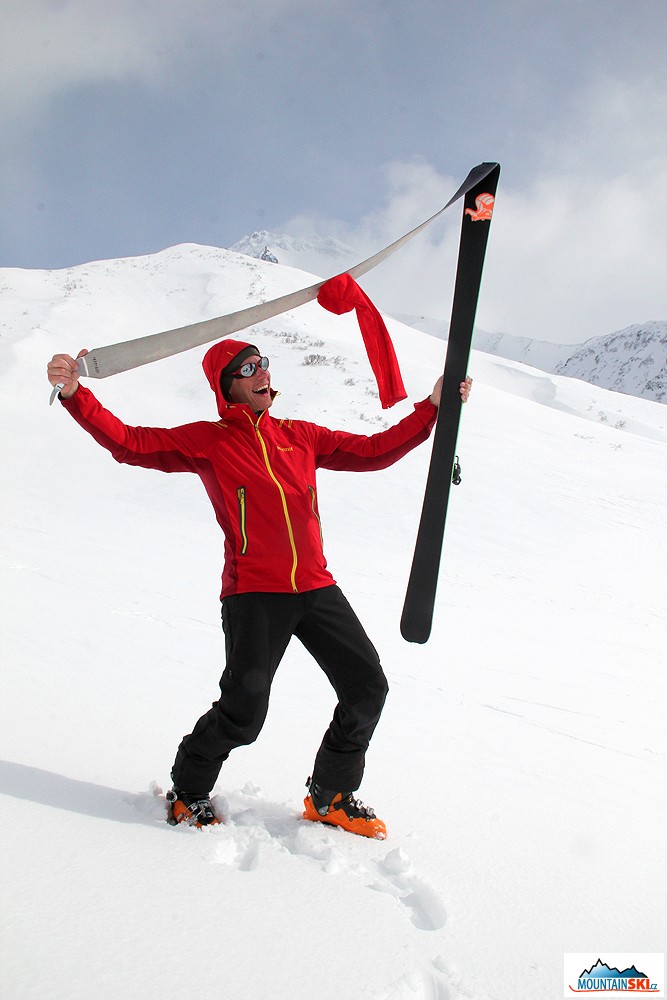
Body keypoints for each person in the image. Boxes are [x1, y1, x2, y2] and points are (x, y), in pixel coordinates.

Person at [47, 339, 472, 838]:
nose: (262, 373)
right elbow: (130, 443)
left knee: (367, 688)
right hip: (253, 593)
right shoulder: (210, 441)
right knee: (243, 713)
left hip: (316, 587)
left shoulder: (300, 436)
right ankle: (189, 789)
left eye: (263, 364)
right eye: (247, 369)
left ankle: (331, 795)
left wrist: (432, 408)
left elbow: (373, 452)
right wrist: (76, 394)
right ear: (226, 386)